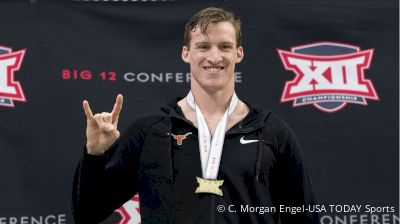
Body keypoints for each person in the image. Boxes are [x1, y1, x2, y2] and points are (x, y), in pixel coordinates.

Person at [72, 7, 318, 224]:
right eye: (203, 46)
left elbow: (304, 216)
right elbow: (88, 213)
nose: (214, 56)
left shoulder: (271, 132)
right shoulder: (150, 131)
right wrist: (94, 155)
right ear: (186, 53)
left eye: (224, 47)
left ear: (238, 54)